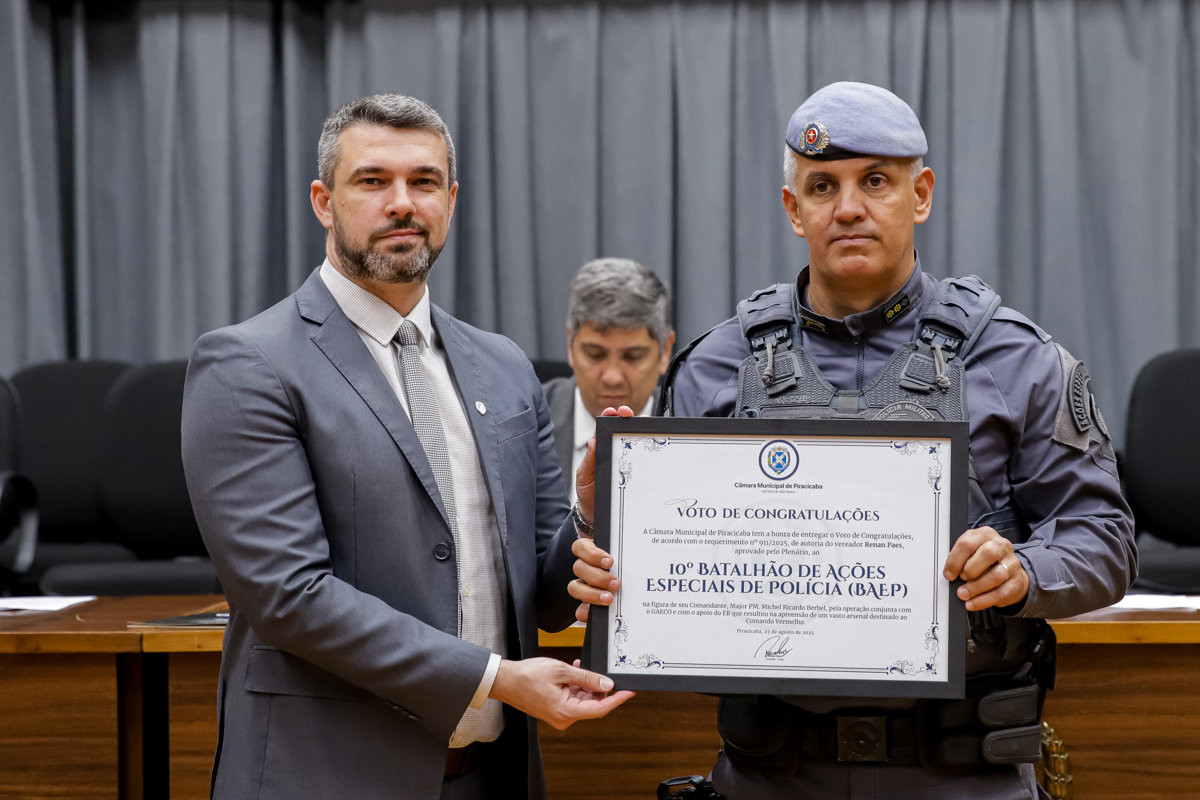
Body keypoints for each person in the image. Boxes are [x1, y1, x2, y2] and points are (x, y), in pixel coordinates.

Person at [572, 81, 1136, 798]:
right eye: (821, 186)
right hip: (770, 776)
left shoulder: (1018, 357)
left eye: (876, 182)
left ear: (920, 194)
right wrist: (609, 543)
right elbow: (658, 573)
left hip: (962, 776)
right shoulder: (718, 366)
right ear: (793, 209)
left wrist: (1022, 570)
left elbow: (1106, 540)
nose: (848, 208)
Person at [181, 93, 632, 800]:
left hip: (493, 777)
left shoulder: (505, 365)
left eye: (423, 182)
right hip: (325, 775)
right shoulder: (246, 364)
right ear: (323, 202)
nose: (402, 203)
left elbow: (542, 601)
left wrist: (587, 513)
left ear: (450, 201)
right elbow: (289, 595)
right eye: (372, 181)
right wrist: (497, 679)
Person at [542, 257, 675, 496]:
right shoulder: (525, 423)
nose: (612, 377)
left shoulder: (697, 427)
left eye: (633, 356)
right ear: (570, 345)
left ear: (665, 351)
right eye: (595, 354)